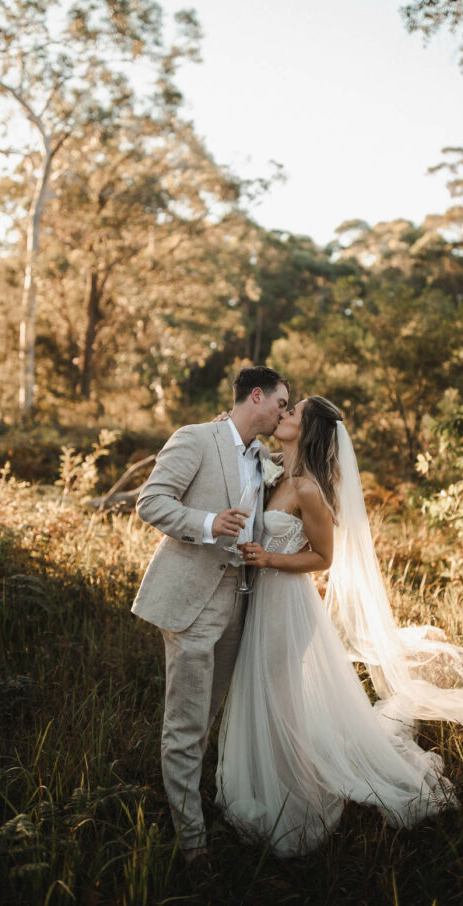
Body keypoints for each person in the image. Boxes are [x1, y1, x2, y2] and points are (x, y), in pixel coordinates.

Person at [216, 396, 463, 857]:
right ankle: (259, 786)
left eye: (293, 413)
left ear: (310, 431)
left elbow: (324, 558)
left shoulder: (309, 491)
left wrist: (271, 558)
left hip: (287, 610)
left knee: (280, 701)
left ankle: (294, 803)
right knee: (258, 693)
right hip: (259, 605)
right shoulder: (275, 472)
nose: (282, 415)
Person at [131, 366, 289, 863]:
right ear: (256, 396)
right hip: (191, 600)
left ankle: (191, 805)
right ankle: (192, 847)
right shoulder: (194, 438)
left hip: (239, 602)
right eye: (281, 402)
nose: (284, 412)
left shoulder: (263, 457)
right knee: (185, 722)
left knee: (210, 718)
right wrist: (207, 523)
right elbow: (150, 501)